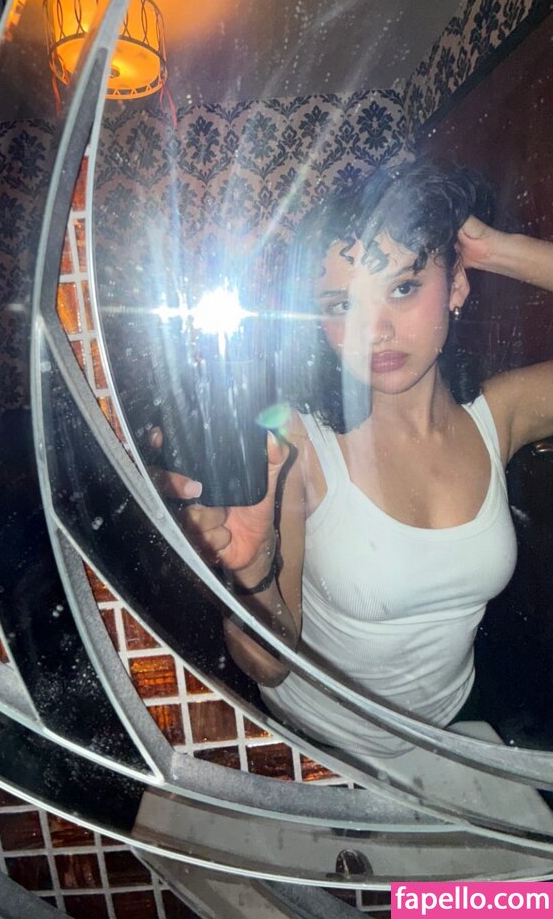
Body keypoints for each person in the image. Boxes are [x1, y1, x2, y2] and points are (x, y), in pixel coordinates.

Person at [154, 159, 553, 758]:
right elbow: (268, 663)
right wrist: (254, 571)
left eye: (403, 288)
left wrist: (498, 250)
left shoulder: (499, 416)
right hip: (319, 748)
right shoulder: (297, 443)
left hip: (448, 732)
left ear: (456, 286)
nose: (374, 330)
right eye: (342, 305)